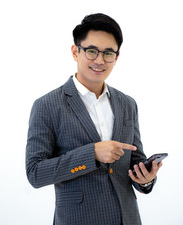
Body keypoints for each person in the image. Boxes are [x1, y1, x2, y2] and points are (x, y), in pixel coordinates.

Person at [26, 13, 162, 225]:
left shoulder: (128, 104)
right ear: (75, 52)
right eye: (91, 51)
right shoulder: (47, 105)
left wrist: (146, 178)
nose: (100, 60)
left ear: (116, 57)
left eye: (108, 53)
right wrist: (92, 154)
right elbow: (35, 173)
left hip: (127, 219)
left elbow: (135, 159)